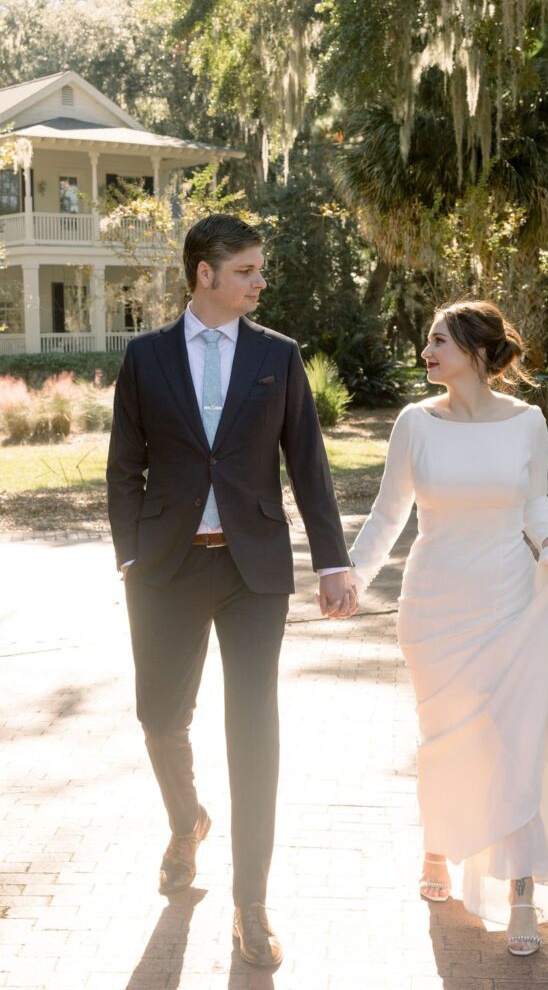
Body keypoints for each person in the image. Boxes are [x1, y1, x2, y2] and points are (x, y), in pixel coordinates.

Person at [346, 300, 548, 955]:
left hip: (508, 602)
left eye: (437, 341)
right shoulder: (415, 423)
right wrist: (350, 578)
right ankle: (437, 844)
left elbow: (533, 505)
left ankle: (521, 891)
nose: (425, 351)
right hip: (433, 605)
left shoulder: (526, 423)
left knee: (515, 744)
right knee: (443, 738)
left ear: (472, 351)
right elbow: (388, 515)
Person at [106, 214, 357, 967]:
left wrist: (332, 561)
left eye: (259, 269)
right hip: (164, 569)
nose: (259, 281)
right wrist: (129, 554)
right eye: (245, 270)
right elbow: (124, 465)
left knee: (254, 731)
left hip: (253, 574)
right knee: (159, 719)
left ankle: (251, 903)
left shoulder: (278, 355)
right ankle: (187, 822)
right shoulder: (146, 357)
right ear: (204, 273)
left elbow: (307, 464)